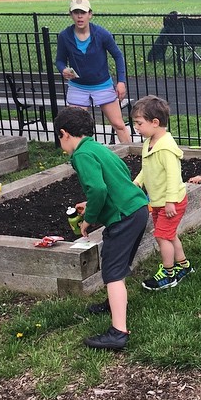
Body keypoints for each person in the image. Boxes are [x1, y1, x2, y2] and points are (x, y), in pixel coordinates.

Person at [54, 107, 149, 350]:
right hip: (136, 208)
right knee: (115, 260)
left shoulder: (81, 155)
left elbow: (98, 189)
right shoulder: (96, 148)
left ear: (64, 133)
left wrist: (90, 218)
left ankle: (118, 332)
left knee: (112, 272)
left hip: (124, 217)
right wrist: (93, 203)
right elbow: (121, 174)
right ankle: (113, 301)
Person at [131, 95, 194, 290]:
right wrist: (138, 182)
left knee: (161, 236)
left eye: (139, 123)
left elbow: (174, 176)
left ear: (155, 122)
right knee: (169, 234)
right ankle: (184, 266)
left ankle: (169, 274)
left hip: (171, 202)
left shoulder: (166, 148)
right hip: (158, 201)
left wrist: (170, 202)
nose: (136, 128)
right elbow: (147, 167)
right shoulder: (149, 142)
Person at [56, 0, 131, 144]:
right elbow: (59, 59)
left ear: (90, 14)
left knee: (118, 125)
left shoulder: (101, 34)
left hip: (102, 85)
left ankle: (131, 154)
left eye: (83, 12)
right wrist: (63, 69)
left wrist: (121, 82)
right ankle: (82, 159)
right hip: (78, 87)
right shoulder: (65, 36)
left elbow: (118, 56)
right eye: (76, 12)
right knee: (76, 129)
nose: (79, 16)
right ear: (70, 15)